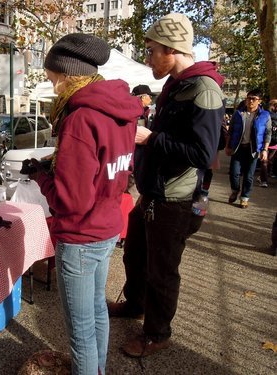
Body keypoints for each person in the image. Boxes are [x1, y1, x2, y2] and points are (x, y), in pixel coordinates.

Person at [108, 13, 225, 357]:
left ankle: (157, 334)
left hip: (176, 199)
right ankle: (134, 304)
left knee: (162, 269)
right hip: (154, 192)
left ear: (172, 50)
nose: (147, 59)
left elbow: (203, 153)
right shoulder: (179, 84)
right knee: (135, 254)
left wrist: (151, 138)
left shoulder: (204, 88)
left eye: (151, 51)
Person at [27, 33, 142, 374]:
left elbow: (70, 201)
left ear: (65, 75)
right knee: (95, 313)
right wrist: (59, 166)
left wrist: (41, 176)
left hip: (80, 237)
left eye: (52, 79)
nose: (52, 87)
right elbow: (112, 169)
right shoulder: (119, 110)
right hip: (107, 226)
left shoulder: (80, 119)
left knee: (81, 331)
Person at [225, 88, 271, 207]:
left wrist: (265, 150)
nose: (250, 101)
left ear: (259, 101)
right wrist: (228, 146)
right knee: (234, 173)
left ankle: (245, 197)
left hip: (254, 149)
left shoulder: (265, 115)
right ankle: (235, 191)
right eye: (248, 98)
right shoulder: (238, 113)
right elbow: (230, 131)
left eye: (253, 99)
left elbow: (268, 133)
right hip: (238, 148)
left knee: (249, 176)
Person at [259, 98, 277, 184]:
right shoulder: (266, 115)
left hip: (267, 141)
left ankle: (263, 179)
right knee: (268, 161)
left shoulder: (265, 115)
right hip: (272, 143)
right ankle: (263, 178)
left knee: (266, 161)